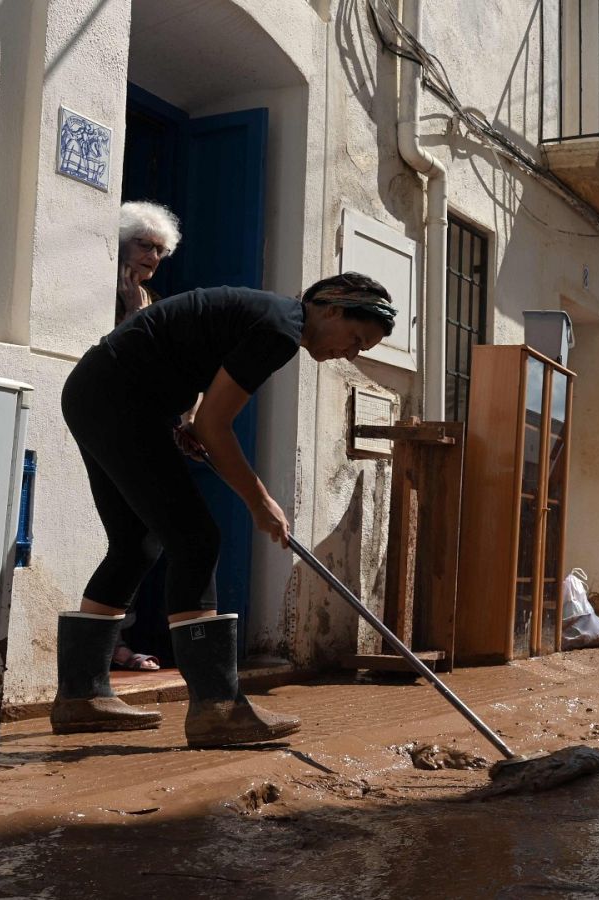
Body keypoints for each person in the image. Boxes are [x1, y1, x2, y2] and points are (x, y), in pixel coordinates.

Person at [53, 273, 395, 747]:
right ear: (331, 309)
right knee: (195, 538)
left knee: (136, 543)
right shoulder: (280, 329)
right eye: (356, 339)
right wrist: (261, 502)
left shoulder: (273, 317)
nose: (351, 354)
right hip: (118, 400)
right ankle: (217, 707)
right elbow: (218, 426)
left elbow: (195, 361)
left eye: (363, 350)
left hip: (99, 393)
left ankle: (81, 696)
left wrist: (190, 416)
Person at [109, 200, 185, 672]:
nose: (152, 258)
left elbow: (160, 370)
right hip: (104, 430)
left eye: (159, 250)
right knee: (124, 538)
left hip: (142, 433)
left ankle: (120, 636)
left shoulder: (152, 303)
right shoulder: (99, 291)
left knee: (139, 537)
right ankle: (110, 644)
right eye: (144, 245)